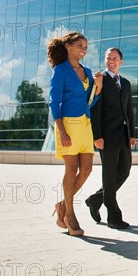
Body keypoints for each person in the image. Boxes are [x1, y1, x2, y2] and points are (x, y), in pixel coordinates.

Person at [48, 32, 103, 236]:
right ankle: (70, 214)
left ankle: (61, 205)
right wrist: (60, 129)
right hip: (68, 125)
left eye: (86, 47)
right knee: (71, 170)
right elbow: (54, 101)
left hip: (85, 124)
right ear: (68, 46)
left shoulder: (87, 72)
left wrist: (98, 88)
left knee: (87, 169)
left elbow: (92, 102)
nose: (83, 50)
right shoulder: (60, 71)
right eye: (80, 45)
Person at [85, 47, 136, 230]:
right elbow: (94, 108)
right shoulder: (99, 80)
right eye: (108, 58)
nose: (111, 61)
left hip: (123, 135)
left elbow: (129, 110)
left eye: (114, 58)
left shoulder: (126, 84)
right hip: (106, 137)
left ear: (121, 61)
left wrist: (132, 133)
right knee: (109, 175)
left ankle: (95, 199)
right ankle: (113, 217)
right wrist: (96, 135)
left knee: (124, 171)